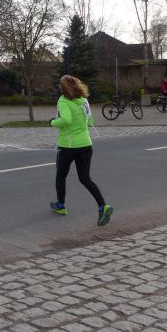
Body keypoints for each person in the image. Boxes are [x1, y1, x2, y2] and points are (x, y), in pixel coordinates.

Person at [49, 75, 113, 226]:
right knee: (85, 178)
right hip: (86, 145)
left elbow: (66, 120)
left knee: (61, 176)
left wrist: (52, 122)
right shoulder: (84, 100)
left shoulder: (63, 101)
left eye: (60, 86)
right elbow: (90, 120)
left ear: (63, 88)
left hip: (68, 146)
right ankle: (103, 206)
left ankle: (61, 205)